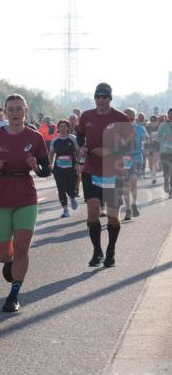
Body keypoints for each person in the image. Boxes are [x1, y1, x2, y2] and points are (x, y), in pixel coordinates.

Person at [0, 94, 51, 313]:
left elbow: (46, 170)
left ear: (25, 112)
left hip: (25, 195)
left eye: (19, 109)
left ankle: (14, 294)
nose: (15, 113)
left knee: (21, 248)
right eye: (11, 109)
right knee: (3, 255)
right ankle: (10, 264)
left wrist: (36, 167)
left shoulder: (35, 137)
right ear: (6, 112)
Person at [76, 83, 135, 267]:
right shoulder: (86, 116)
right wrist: (82, 146)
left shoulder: (120, 117)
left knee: (112, 216)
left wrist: (109, 150)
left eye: (104, 96)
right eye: (97, 96)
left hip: (113, 171)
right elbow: (79, 134)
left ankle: (111, 250)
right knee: (93, 212)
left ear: (110, 98)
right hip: (91, 169)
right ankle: (97, 252)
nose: (100, 100)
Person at [119, 109, 149, 220]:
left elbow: (147, 140)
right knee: (127, 184)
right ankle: (129, 208)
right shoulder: (119, 129)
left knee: (131, 183)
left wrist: (144, 146)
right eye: (127, 118)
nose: (129, 120)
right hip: (126, 158)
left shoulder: (140, 128)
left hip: (135, 158)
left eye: (130, 118)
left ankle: (133, 204)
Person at [48, 119, 80, 217]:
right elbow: (51, 153)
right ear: (58, 128)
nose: (62, 128)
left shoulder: (73, 138)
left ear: (68, 128)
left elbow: (78, 152)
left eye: (64, 126)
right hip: (59, 168)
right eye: (60, 126)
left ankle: (72, 198)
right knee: (61, 188)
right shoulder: (55, 140)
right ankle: (65, 210)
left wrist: (78, 163)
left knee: (70, 187)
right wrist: (50, 164)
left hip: (71, 167)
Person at [158, 111, 172, 198]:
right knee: (166, 170)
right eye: (170, 115)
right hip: (165, 152)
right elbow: (157, 139)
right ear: (168, 116)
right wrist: (165, 137)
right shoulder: (163, 126)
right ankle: (166, 182)